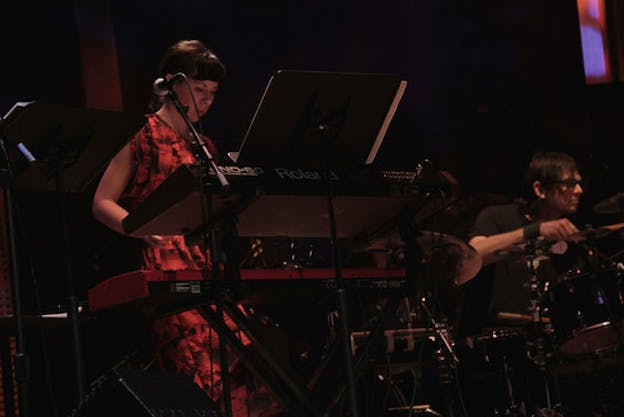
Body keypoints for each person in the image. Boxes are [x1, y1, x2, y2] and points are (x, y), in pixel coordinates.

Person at [92, 39, 280, 417]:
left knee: (245, 360)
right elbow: (101, 203)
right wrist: (141, 229)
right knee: (199, 366)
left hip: (209, 263)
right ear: (172, 85)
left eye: (211, 94)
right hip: (167, 265)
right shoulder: (142, 135)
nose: (205, 102)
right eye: (198, 91)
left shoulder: (204, 146)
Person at [455, 151, 586, 416]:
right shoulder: (497, 216)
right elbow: (473, 253)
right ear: (539, 189)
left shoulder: (571, 233)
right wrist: (534, 231)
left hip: (551, 343)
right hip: (498, 343)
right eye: (570, 184)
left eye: (579, 183)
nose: (579, 190)